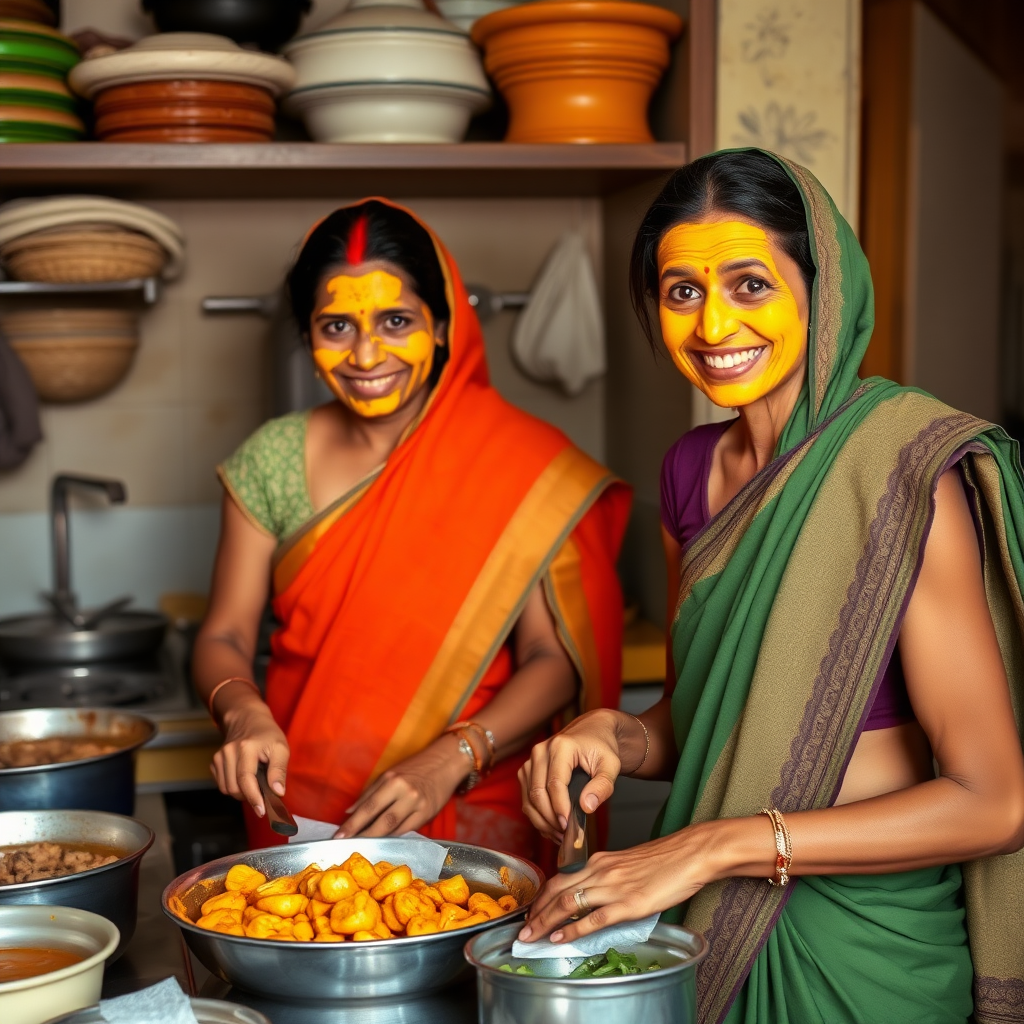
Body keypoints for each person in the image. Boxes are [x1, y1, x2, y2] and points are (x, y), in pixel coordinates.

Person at [517, 149, 1024, 1023]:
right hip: (710, 923)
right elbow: (712, 718)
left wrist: (714, 848)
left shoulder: (901, 472)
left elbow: (993, 802)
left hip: (865, 954)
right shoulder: (689, 472)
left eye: (750, 284)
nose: (714, 323)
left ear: (819, 289)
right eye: (682, 292)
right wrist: (618, 736)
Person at [193, 198, 630, 861]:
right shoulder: (270, 458)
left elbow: (553, 661)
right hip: (300, 797)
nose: (366, 354)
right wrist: (242, 712)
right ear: (307, 339)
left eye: (396, 321)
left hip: (478, 794)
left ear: (444, 325)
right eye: (336, 325)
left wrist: (453, 756)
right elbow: (224, 634)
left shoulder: (523, 464)